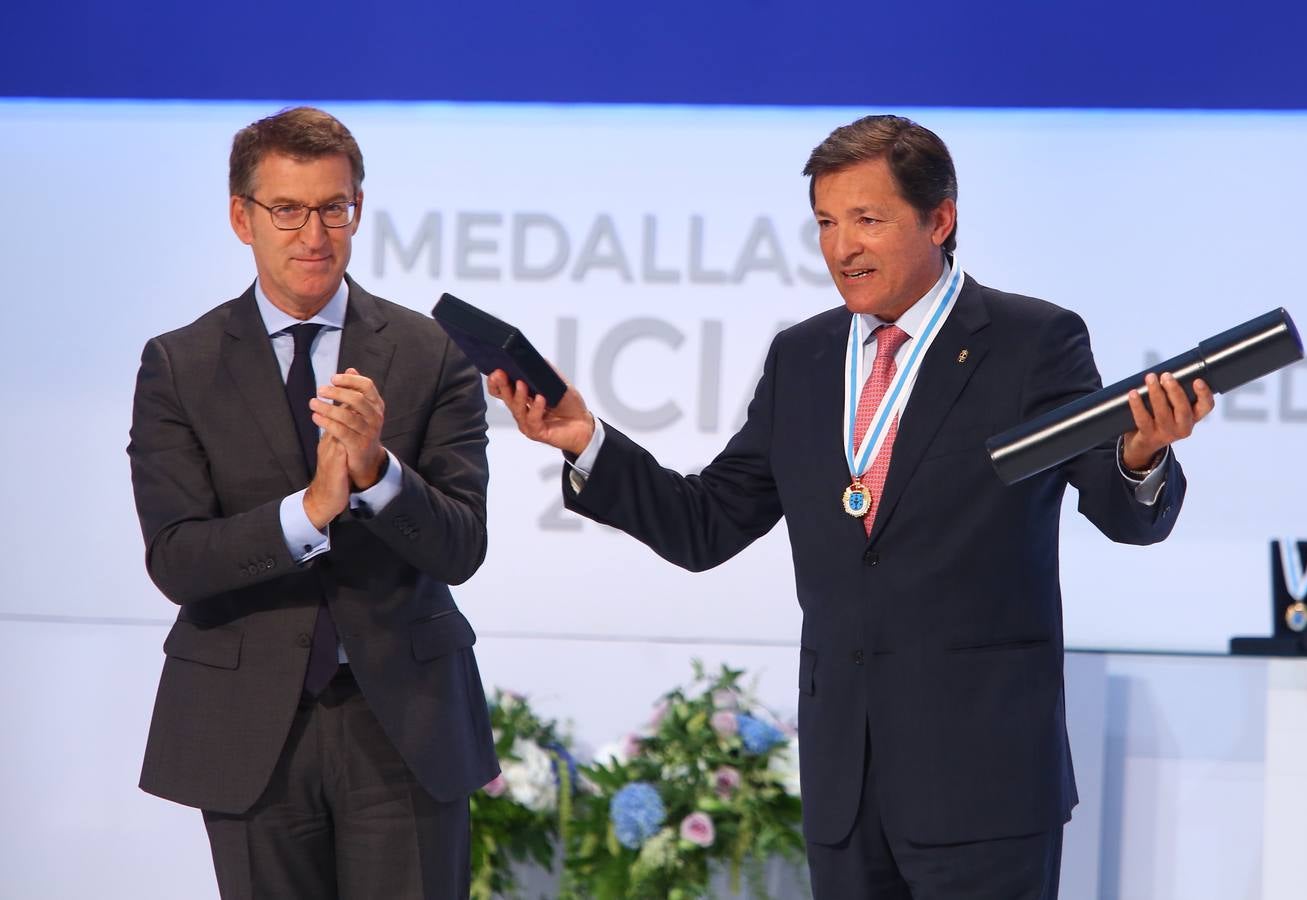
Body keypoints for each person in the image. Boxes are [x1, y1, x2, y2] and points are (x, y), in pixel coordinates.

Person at [487, 114, 1214, 899]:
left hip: (982, 787)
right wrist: (584, 440)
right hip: (844, 786)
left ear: (940, 219)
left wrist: (1139, 454)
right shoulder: (802, 356)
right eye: (826, 224)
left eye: (867, 220)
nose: (841, 248)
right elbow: (706, 524)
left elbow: (1121, 510)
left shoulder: (1028, 340)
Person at [128, 106, 497, 900]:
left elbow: (462, 547)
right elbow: (179, 558)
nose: (315, 234)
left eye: (336, 207)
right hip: (248, 726)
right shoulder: (180, 365)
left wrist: (377, 474)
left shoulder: (428, 351)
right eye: (288, 210)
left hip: (402, 721)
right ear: (242, 218)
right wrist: (312, 508)